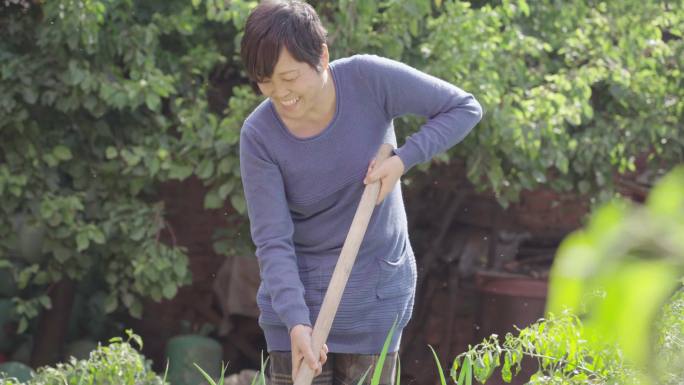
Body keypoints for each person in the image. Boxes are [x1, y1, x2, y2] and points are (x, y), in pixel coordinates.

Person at [238, 1, 483, 384]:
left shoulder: (368, 81)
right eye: (265, 80)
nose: (279, 93)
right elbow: (273, 241)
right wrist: (296, 323)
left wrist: (403, 160)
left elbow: (463, 107)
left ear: (321, 55)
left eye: (289, 77)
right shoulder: (259, 137)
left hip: (374, 298)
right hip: (295, 312)